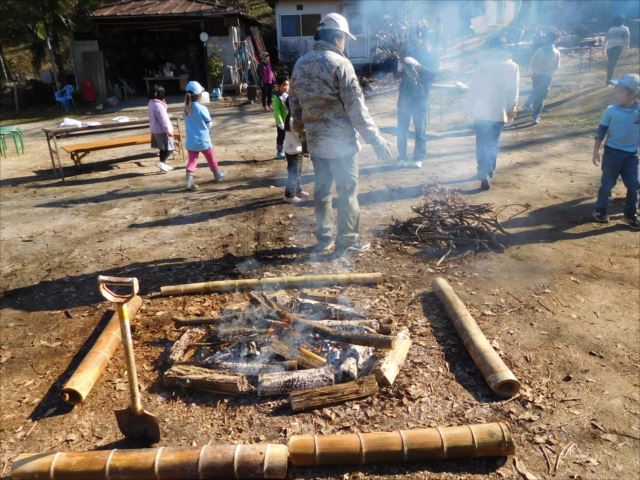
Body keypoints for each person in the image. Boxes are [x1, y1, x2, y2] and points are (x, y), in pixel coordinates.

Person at [289, 13, 393, 256]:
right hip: (342, 146)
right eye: (345, 39)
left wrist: (303, 135)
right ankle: (347, 241)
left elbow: (295, 106)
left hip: (316, 144)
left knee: (322, 191)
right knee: (347, 192)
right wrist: (376, 141)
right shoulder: (340, 64)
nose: (346, 43)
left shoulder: (300, 64)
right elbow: (357, 110)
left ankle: (324, 238)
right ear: (338, 38)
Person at [469, 35, 519, 190]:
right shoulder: (512, 66)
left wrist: (469, 107)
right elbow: (514, 91)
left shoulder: (482, 65)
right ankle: (488, 171)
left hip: (481, 110)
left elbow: (474, 88)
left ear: (490, 48)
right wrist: (512, 110)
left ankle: (481, 170)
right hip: (499, 111)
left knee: (481, 142)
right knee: (492, 143)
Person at [591, 73, 639, 229]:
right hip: (612, 153)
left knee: (634, 185)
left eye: (620, 91)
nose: (615, 94)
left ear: (633, 94)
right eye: (615, 90)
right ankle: (600, 210)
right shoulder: (611, 110)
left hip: (632, 155)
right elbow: (601, 132)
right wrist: (596, 151)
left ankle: (630, 215)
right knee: (607, 184)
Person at [395, 28, 439, 168]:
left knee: (420, 130)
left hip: (420, 98)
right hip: (404, 97)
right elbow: (397, 77)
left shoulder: (433, 56)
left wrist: (418, 65)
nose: (419, 40)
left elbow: (433, 75)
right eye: (418, 37)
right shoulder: (409, 52)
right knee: (402, 129)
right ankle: (402, 156)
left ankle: (418, 157)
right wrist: (399, 69)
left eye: (422, 38)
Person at [183, 80, 225, 191]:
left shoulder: (186, 109)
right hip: (203, 140)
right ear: (200, 95)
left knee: (192, 161)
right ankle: (217, 176)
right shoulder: (202, 108)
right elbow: (209, 124)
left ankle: (189, 182)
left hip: (191, 141)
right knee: (211, 159)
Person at [527, 31, 561, 124]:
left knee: (536, 93)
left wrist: (535, 70)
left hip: (536, 75)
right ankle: (535, 114)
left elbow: (532, 63)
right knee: (542, 96)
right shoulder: (556, 52)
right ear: (555, 40)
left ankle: (533, 111)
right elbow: (557, 66)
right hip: (547, 76)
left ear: (546, 39)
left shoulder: (538, 50)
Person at [282, 92, 309, 204]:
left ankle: (297, 190)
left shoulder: (291, 117)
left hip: (294, 149)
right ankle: (289, 195)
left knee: (297, 172)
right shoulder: (293, 119)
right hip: (294, 151)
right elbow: (300, 135)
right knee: (294, 173)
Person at [148, 84, 175, 172]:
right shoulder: (158, 105)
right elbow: (164, 119)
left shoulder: (151, 103)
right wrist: (168, 130)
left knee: (163, 149)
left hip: (155, 130)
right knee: (170, 148)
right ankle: (161, 162)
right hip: (162, 130)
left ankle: (162, 164)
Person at [604, 16, 631, 86]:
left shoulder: (611, 29)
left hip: (609, 48)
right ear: (622, 21)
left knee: (610, 63)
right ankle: (608, 80)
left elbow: (606, 39)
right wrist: (627, 47)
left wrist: (603, 48)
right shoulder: (625, 28)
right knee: (612, 64)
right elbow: (627, 38)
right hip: (618, 47)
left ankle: (608, 79)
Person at [272, 77, 289, 159]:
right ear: (279, 86)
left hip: (290, 121)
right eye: (284, 85)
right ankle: (279, 151)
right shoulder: (276, 97)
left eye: (287, 85)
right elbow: (276, 110)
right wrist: (279, 122)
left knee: (289, 136)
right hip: (282, 122)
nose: (286, 87)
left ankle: (289, 151)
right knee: (281, 136)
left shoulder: (288, 95)